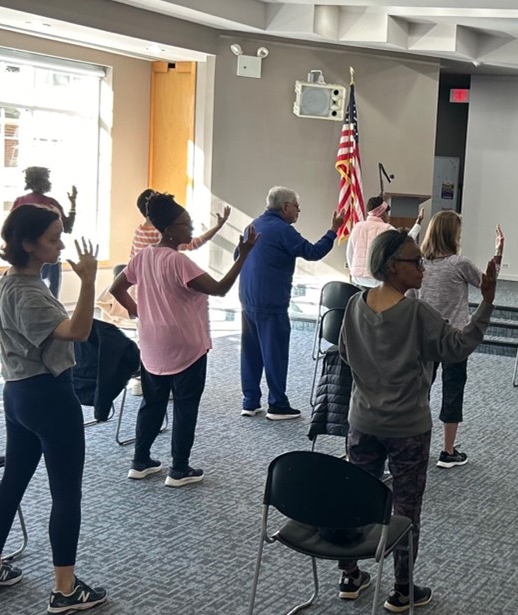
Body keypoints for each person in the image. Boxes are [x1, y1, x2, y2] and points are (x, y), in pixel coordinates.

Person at [335, 229, 499, 610]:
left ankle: (349, 574)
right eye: (414, 261)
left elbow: (345, 353)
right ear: (393, 267)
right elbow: (458, 348)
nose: (422, 267)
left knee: (358, 496)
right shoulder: (418, 314)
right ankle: (403, 589)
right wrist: (486, 303)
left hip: (361, 421)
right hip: (407, 427)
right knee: (406, 508)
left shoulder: (355, 305)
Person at [0, 205, 106, 615]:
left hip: (19, 395)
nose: (61, 243)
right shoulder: (29, 293)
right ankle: (65, 590)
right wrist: (88, 283)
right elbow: (78, 331)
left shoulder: (13, 280)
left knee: (13, 479)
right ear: (28, 244)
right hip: (48, 398)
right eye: (52, 237)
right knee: (66, 493)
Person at [110, 194, 256, 487]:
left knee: (152, 403)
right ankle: (179, 469)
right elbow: (219, 289)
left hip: (152, 344)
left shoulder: (144, 256)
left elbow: (117, 288)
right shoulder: (179, 262)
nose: (190, 230)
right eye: (186, 225)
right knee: (186, 406)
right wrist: (243, 256)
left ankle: (140, 462)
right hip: (185, 347)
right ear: (169, 230)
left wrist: (137, 310)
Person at [239, 186, 344, 420]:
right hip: (271, 302)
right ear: (285, 207)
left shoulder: (252, 225)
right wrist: (333, 230)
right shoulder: (283, 230)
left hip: (248, 299)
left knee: (251, 352)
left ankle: (250, 401)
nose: (299, 211)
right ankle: (277, 405)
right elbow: (313, 252)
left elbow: (239, 257)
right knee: (275, 353)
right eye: (296, 206)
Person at [411, 211, 504, 468]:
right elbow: (488, 285)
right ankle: (448, 451)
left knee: (420, 392)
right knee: (453, 392)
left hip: (424, 338)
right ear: (453, 235)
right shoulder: (458, 263)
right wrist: (498, 253)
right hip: (455, 340)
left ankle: (415, 445)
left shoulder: (419, 265)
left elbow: (411, 298)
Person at [12, 166, 76, 297]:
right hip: (47, 255)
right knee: (51, 296)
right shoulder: (51, 203)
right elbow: (68, 228)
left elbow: (11, 231)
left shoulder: (20, 202)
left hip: (23, 256)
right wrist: (73, 205)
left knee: (23, 293)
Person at [129, 187, 230, 258]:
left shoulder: (138, 231)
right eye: (186, 224)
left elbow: (132, 259)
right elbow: (193, 244)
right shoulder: (161, 234)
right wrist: (218, 226)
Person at [347, 196, 423, 288]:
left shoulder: (357, 227)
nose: (389, 216)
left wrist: (353, 271)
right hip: (376, 280)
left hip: (357, 279)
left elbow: (349, 253)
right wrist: (418, 224)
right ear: (381, 213)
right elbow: (405, 242)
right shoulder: (387, 228)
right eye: (387, 213)